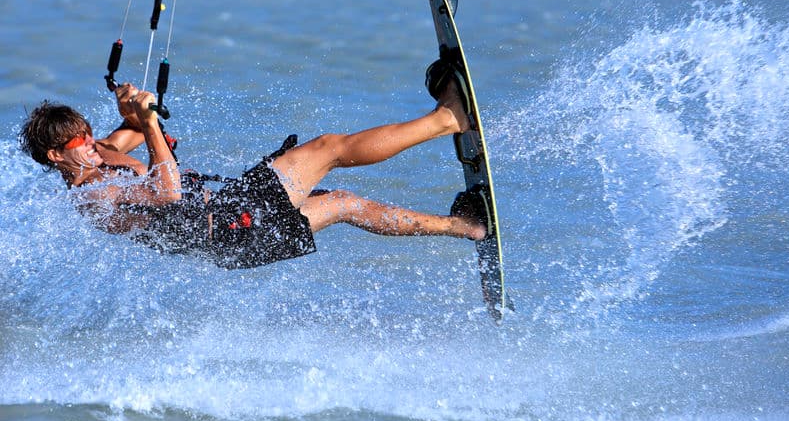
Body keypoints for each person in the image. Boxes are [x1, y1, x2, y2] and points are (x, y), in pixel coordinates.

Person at [19, 76, 486, 269]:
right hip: (224, 226)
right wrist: (150, 123)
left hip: (230, 227)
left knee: (346, 203)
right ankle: (448, 119)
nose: (91, 143)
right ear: (55, 156)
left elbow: (131, 131)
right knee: (327, 149)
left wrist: (130, 108)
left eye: (87, 131)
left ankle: (466, 227)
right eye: (78, 141)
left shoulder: (101, 154)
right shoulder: (92, 198)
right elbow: (167, 192)